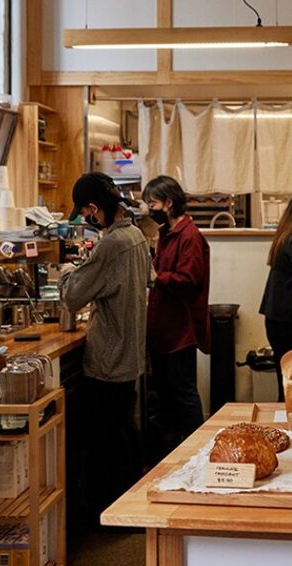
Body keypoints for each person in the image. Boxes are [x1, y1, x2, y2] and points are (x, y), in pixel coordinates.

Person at [60, 172, 151, 523]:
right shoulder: (137, 237)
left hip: (109, 358)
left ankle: (109, 514)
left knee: (105, 442)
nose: (85, 218)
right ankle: (125, 509)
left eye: (84, 211)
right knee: (123, 434)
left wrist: (69, 269)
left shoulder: (111, 245)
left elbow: (72, 296)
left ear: (95, 209)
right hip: (129, 354)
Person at [142, 175, 211, 462]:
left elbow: (189, 279)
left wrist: (158, 277)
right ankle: (173, 460)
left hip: (180, 329)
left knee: (183, 396)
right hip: (164, 329)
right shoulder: (167, 233)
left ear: (169, 203)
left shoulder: (189, 236)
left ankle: (199, 454)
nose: (149, 209)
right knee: (168, 398)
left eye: (153, 203)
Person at [259, 189, 292, 401]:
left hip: (280, 319)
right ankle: (288, 427)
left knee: (289, 380)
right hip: (287, 321)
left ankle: (288, 424)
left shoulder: (289, 237)